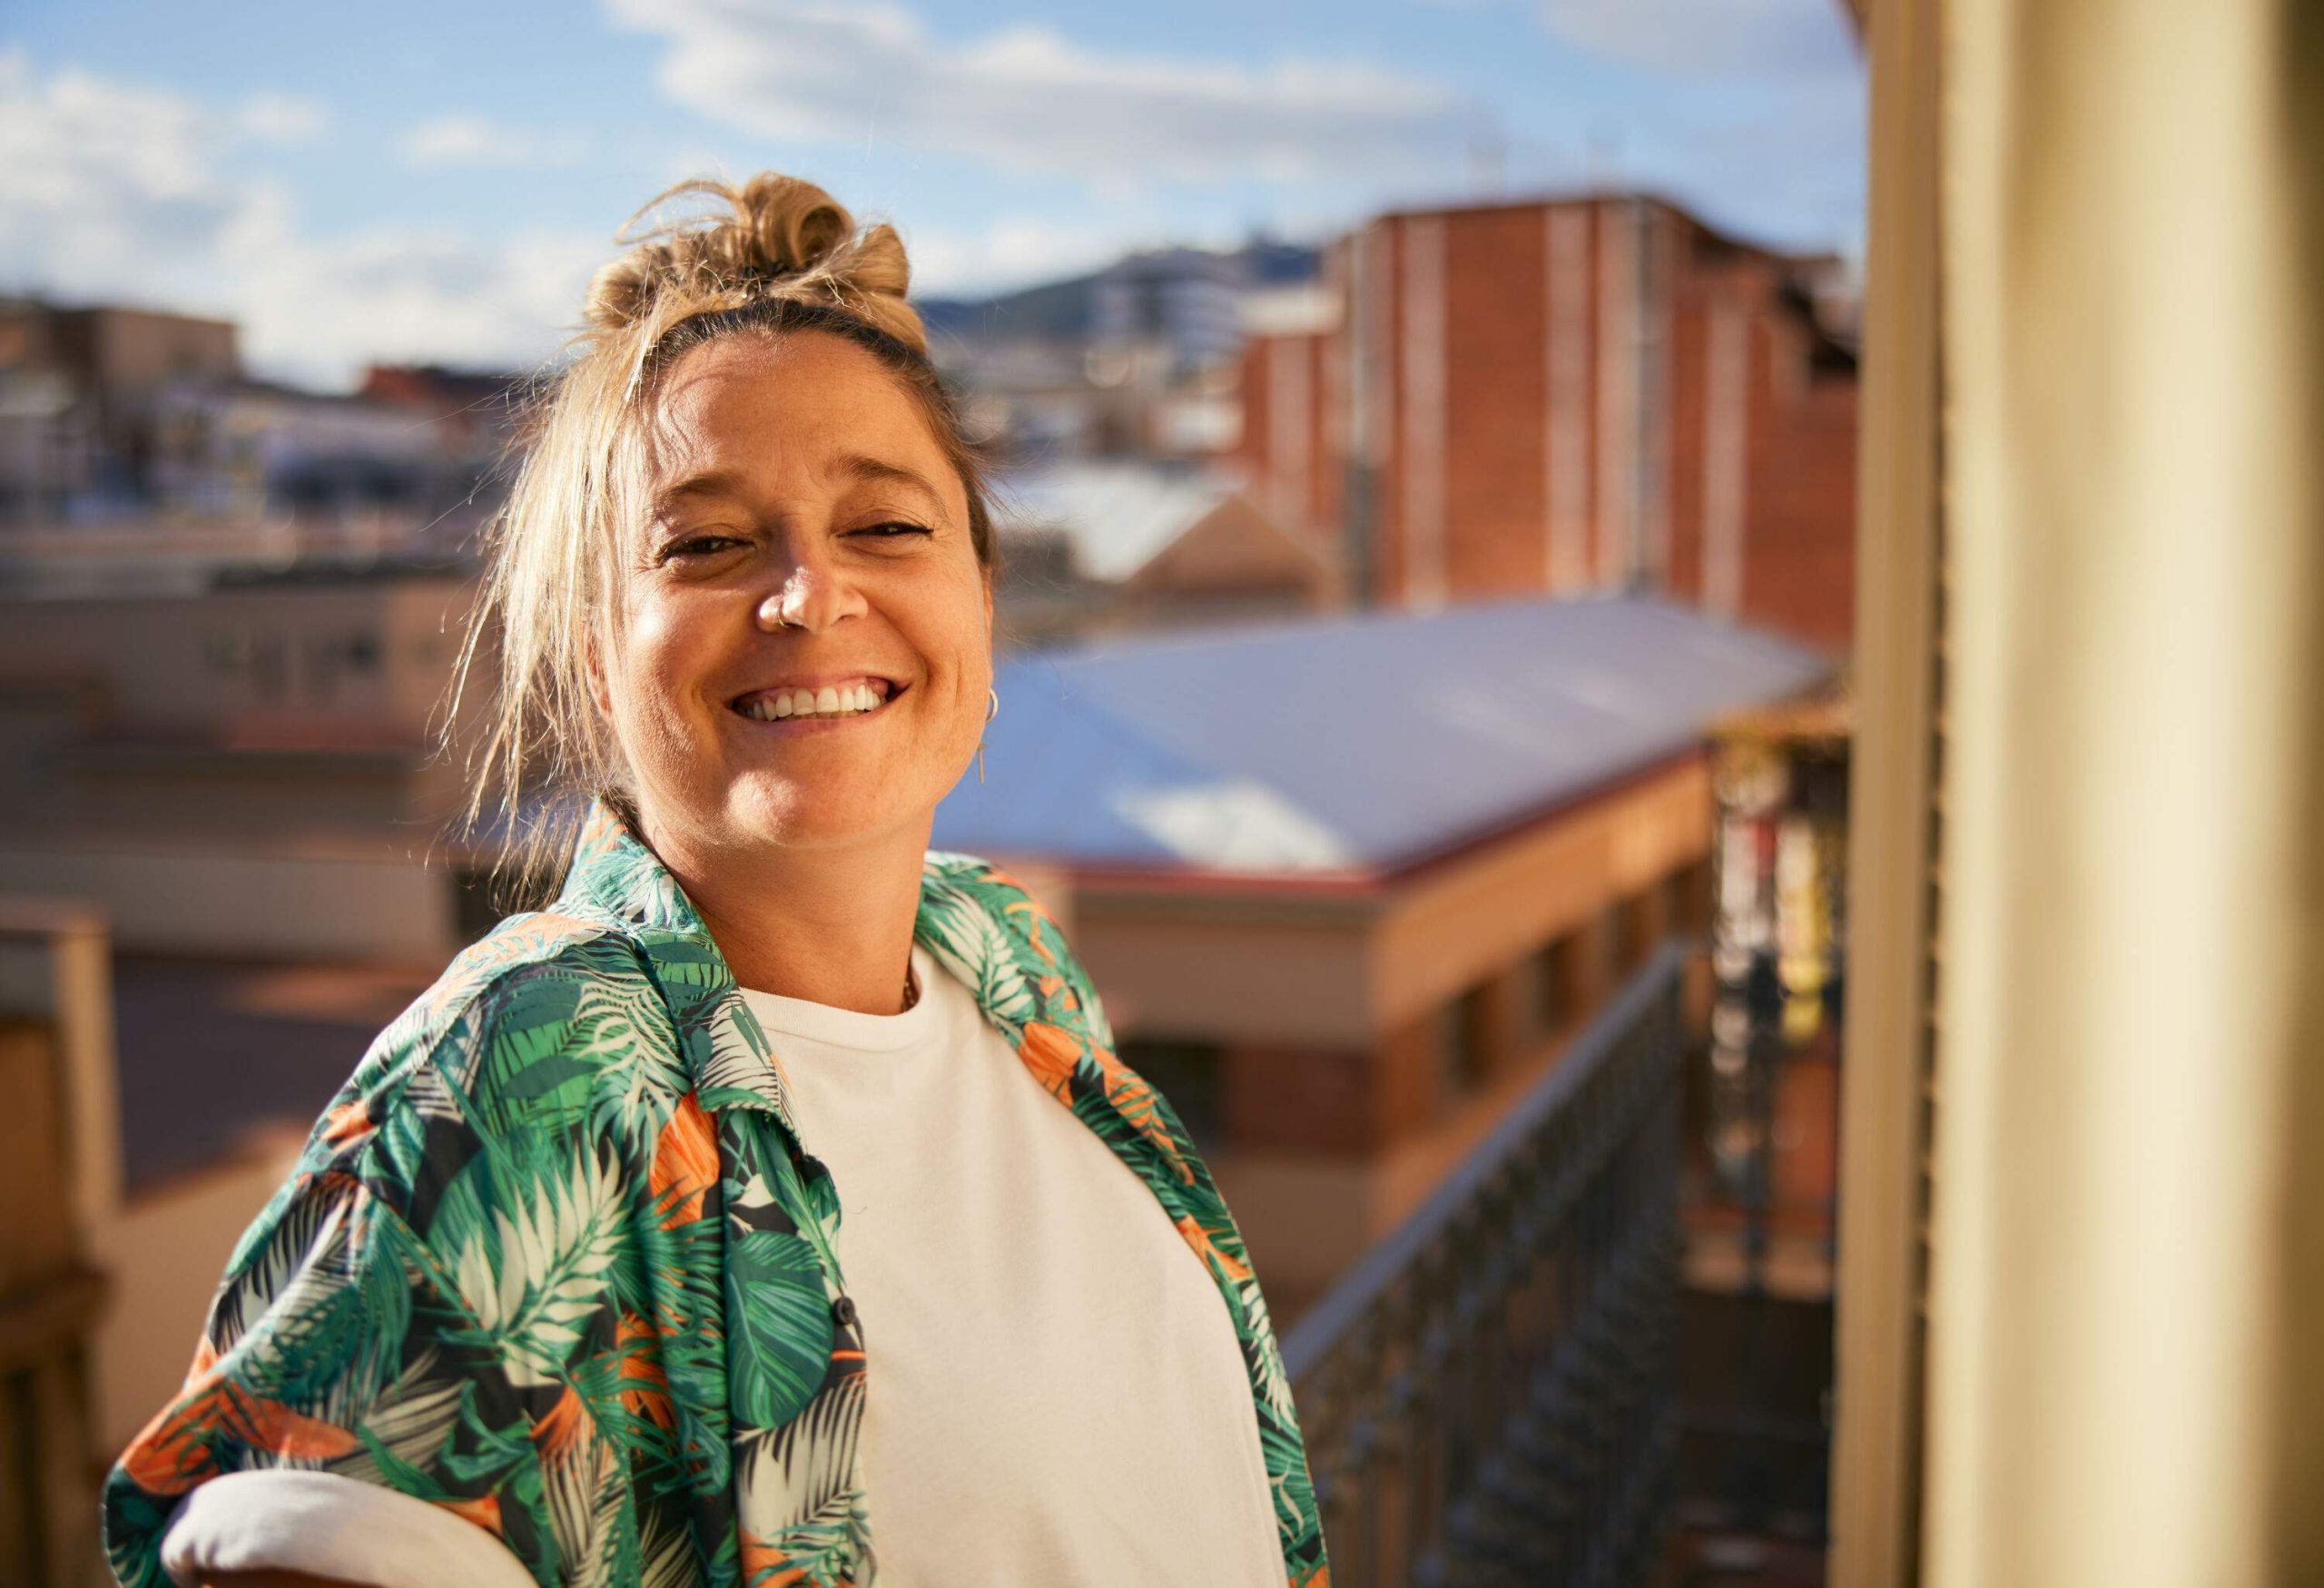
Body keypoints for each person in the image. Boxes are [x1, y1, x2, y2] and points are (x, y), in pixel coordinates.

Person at [99, 173, 1331, 1588]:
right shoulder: (538, 1069)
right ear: (591, 663)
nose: (810, 594)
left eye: (885, 526)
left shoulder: (1010, 970)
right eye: (707, 545)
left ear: (982, 604)